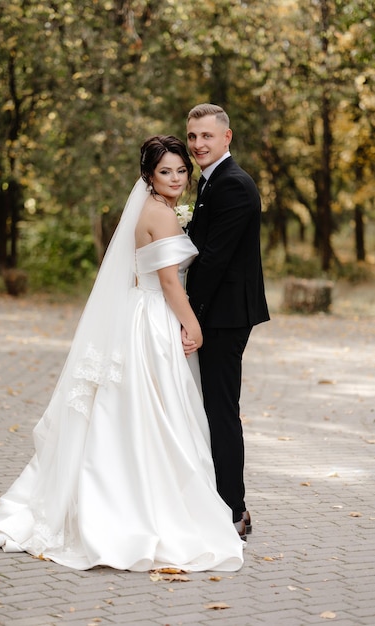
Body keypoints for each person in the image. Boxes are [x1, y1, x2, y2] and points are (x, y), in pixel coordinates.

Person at [0, 135, 244, 572]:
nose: (177, 178)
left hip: (141, 313)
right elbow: (167, 282)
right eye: (166, 171)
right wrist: (193, 325)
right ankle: (141, 506)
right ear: (148, 176)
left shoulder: (156, 209)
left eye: (182, 170)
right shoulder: (159, 215)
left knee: (145, 410)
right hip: (154, 316)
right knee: (155, 411)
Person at [184, 104, 270, 540]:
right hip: (215, 312)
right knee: (212, 409)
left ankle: (234, 512)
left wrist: (188, 314)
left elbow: (214, 260)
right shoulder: (210, 182)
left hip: (223, 316)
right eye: (193, 136)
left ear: (227, 138)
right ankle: (224, 502)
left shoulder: (234, 185)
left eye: (207, 136)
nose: (199, 143)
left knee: (221, 411)